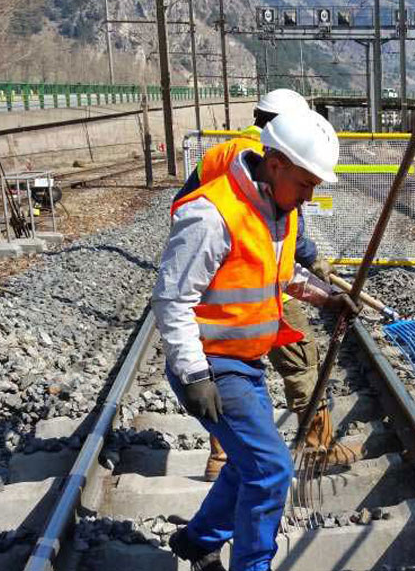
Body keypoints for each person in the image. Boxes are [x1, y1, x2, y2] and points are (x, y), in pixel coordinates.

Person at [152, 109, 357, 571]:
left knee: (249, 464)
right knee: (270, 471)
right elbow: (171, 300)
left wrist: (326, 299)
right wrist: (194, 375)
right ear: (277, 163)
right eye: (305, 183)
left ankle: (198, 541)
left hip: (245, 362)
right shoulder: (212, 214)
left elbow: (278, 276)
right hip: (213, 365)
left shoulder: (277, 212)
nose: (308, 197)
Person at [176, 88, 352, 482]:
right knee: (300, 358)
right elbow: (289, 226)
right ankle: (317, 445)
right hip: (257, 274)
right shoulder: (285, 156)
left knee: (223, 372)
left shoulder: (224, 153)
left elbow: (182, 203)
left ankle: (221, 456)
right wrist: (312, 258)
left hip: (219, 279)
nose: (307, 194)